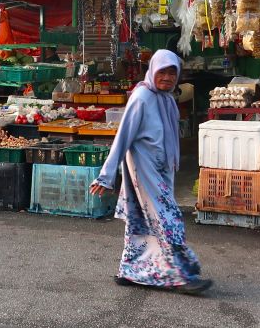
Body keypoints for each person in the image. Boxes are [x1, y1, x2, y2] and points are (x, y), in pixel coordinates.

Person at [90, 49, 211, 295]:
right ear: (153, 70)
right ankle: (181, 275)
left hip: (161, 169)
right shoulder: (142, 96)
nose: (166, 77)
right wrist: (107, 174)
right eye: (162, 72)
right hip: (144, 169)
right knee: (168, 219)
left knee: (141, 220)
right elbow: (123, 136)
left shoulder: (166, 99)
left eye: (171, 73)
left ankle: (130, 270)